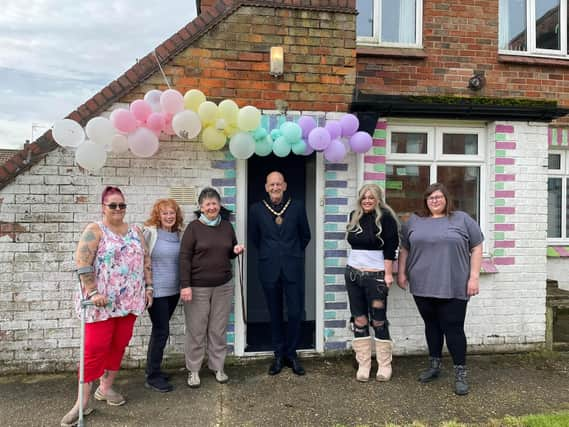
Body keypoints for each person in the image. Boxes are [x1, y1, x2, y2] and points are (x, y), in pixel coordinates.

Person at [61, 186, 153, 427]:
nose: (118, 209)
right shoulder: (95, 230)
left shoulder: (135, 231)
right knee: (93, 350)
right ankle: (82, 402)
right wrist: (92, 291)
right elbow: (82, 262)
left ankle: (105, 388)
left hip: (129, 301)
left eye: (122, 205)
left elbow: (145, 259)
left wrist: (149, 287)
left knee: (118, 345)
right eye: (113, 205)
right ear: (103, 207)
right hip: (100, 303)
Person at [397, 182, 483, 396]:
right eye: (431, 197)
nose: (435, 200)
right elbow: (404, 248)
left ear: (446, 199)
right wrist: (401, 272)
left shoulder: (462, 219)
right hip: (422, 283)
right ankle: (434, 366)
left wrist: (474, 277)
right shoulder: (414, 221)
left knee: (453, 328)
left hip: (454, 283)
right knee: (431, 325)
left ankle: (460, 372)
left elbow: (477, 246)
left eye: (439, 197)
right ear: (426, 200)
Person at [179, 187, 245, 388]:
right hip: (197, 288)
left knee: (218, 329)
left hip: (223, 286)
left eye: (214, 203)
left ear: (219, 205)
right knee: (196, 330)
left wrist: (236, 250)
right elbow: (184, 258)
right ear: (201, 207)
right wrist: (185, 285)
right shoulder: (193, 228)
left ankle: (218, 367)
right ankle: (194, 370)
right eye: (207, 204)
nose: (211, 207)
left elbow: (229, 251)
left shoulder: (226, 226)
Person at [249, 171, 311, 376]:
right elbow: (255, 238)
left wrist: (290, 254)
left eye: (278, 184)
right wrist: (272, 254)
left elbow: (305, 236)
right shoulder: (256, 210)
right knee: (274, 313)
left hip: (293, 267)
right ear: (266, 187)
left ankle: (291, 353)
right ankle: (278, 354)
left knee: (295, 312)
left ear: (284, 186)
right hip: (269, 267)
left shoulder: (298, 207)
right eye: (271, 184)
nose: (275, 188)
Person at [345, 183, 399, 383]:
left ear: (378, 199)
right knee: (359, 319)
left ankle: (385, 364)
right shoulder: (354, 216)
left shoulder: (386, 218)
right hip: (353, 275)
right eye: (364, 197)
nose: (367, 200)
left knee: (378, 319)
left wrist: (388, 274)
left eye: (371, 197)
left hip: (376, 277)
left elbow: (391, 248)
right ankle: (364, 364)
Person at [142, 198, 184, 393]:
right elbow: (141, 259)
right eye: (165, 213)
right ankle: (153, 376)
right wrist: (146, 287)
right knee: (161, 331)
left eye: (172, 213)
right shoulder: (150, 233)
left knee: (160, 331)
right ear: (158, 216)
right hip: (156, 292)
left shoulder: (179, 234)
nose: (169, 216)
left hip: (173, 291)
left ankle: (153, 369)